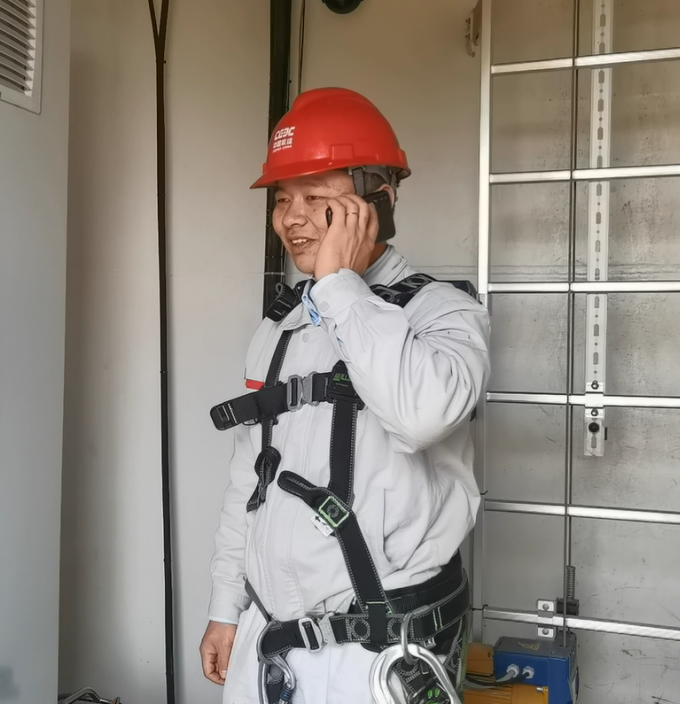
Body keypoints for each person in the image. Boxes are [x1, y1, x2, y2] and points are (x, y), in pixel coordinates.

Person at [200, 87, 491, 704]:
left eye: (314, 197)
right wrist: (226, 606)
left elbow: (421, 415)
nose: (292, 218)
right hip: (269, 644)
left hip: (376, 658)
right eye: (283, 199)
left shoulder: (443, 314)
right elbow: (248, 478)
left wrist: (339, 285)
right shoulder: (280, 329)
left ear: (377, 200)